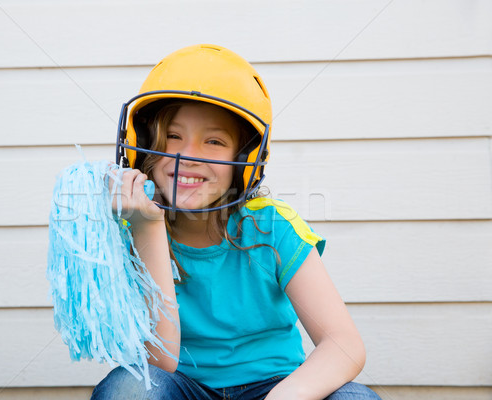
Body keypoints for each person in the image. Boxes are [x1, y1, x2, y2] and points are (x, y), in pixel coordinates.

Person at [91, 44, 381, 400]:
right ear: (146, 144)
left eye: (213, 141)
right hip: (181, 388)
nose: (187, 156)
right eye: (173, 136)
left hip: (276, 387)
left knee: (356, 398)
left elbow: (344, 345)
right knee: (130, 388)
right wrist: (147, 228)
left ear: (244, 159)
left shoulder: (272, 225)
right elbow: (159, 363)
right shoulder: (132, 226)